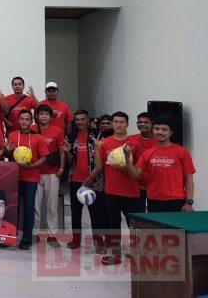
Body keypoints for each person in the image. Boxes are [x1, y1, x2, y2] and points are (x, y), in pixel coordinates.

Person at [84, 111, 145, 265]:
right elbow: (99, 166)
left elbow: (139, 168)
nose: (118, 125)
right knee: (114, 223)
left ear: (127, 124)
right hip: (111, 190)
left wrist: (126, 163)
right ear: (112, 124)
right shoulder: (105, 143)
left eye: (121, 122)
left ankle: (138, 254)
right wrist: (97, 149)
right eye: (116, 122)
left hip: (131, 191)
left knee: (134, 224)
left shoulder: (134, 144)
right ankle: (116, 255)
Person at [124, 115, 195, 213]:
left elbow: (189, 179)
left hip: (176, 200)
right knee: (155, 224)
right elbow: (134, 174)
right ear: (153, 131)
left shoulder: (182, 152)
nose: (160, 132)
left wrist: (189, 202)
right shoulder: (147, 153)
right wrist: (127, 158)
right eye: (157, 129)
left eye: (164, 130)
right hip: (153, 200)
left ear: (170, 133)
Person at [63, 109, 107, 251]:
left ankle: (98, 242)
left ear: (88, 120)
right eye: (77, 119)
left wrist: (91, 178)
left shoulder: (96, 135)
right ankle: (76, 240)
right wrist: (67, 151)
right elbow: (70, 160)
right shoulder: (71, 136)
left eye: (82, 119)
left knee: (96, 214)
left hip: (93, 181)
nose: (80, 122)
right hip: (75, 181)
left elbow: (101, 160)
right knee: (76, 213)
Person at [6, 109, 49, 250]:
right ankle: (11, 236)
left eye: (27, 119)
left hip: (31, 177)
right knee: (14, 208)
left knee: (29, 208)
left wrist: (32, 166)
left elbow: (44, 157)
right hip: (15, 176)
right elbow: (8, 155)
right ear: (18, 120)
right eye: (22, 119)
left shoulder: (38, 137)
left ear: (31, 121)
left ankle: (26, 238)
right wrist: (8, 150)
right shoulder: (12, 135)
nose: (24, 122)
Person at [32, 104, 66, 248]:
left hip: (52, 173)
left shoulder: (57, 131)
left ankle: (52, 235)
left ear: (51, 116)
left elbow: (62, 152)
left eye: (47, 114)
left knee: (52, 206)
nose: (44, 116)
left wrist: (61, 168)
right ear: (37, 116)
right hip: (35, 173)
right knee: (35, 206)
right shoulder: (32, 129)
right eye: (41, 113)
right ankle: (35, 233)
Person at [129, 111, 156, 210]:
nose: (142, 124)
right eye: (139, 122)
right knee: (138, 214)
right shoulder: (130, 139)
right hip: (136, 185)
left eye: (145, 122)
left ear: (152, 124)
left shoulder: (159, 140)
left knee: (154, 215)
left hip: (155, 185)